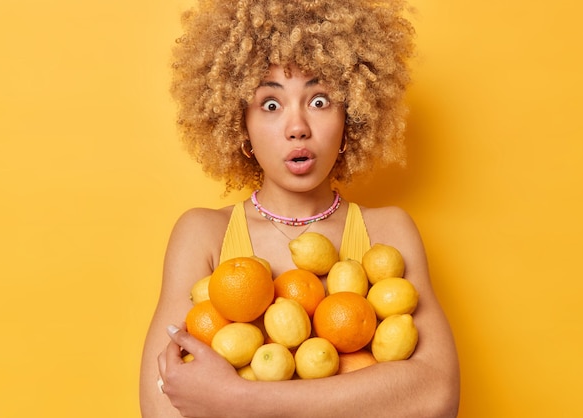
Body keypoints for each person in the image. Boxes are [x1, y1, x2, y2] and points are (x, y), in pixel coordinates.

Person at [139, 0, 460, 416]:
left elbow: (438, 395)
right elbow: (160, 408)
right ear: (242, 128)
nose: (297, 127)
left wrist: (239, 399)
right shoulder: (202, 234)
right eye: (271, 105)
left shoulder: (389, 231)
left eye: (320, 100)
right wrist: (371, 397)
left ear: (352, 118)